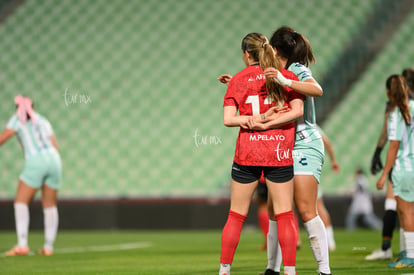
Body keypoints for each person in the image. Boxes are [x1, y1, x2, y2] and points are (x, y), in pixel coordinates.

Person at [219, 32, 305, 275]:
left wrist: (253, 120)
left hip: (248, 153)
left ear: (247, 54)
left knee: (236, 215)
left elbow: (228, 120)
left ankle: (224, 271)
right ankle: (290, 271)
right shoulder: (285, 76)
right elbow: (297, 110)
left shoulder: (237, 79)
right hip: (279, 151)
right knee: (285, 214)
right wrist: (269, 123)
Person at [254, 26, 331, 275]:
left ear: (275, 50)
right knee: (276, 209)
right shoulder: (278, 72)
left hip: (304, 144)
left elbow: (317, 89)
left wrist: (287, 80)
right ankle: (272, 269)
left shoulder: (296, 69)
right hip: (284, 146)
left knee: (307, 208)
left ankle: (324, 270)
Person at [0, 95, 62, 256]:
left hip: (36, 160)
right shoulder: (42, 120)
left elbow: (3, 138)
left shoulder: (17, 120)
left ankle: (22, 245)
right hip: (54, 159)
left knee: (21, 201)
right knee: (50, 205)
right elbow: (55, 145)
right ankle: (48, 247)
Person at [365, 68, 414, 261]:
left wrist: (384, 172)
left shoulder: (395, 112)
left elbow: (393, 143)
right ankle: (405, 252)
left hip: (403, 166)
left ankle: (406, 254)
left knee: (403, 211)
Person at [317, 125, 340, 252]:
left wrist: (333, 160)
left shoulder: (306, 124)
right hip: (310, 170)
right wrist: (333, 160)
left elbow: (326, 142)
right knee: (318, 207)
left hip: (297, 169)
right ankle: (329, 241)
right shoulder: (312, 124)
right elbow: (326, 142)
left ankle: (329, 241)